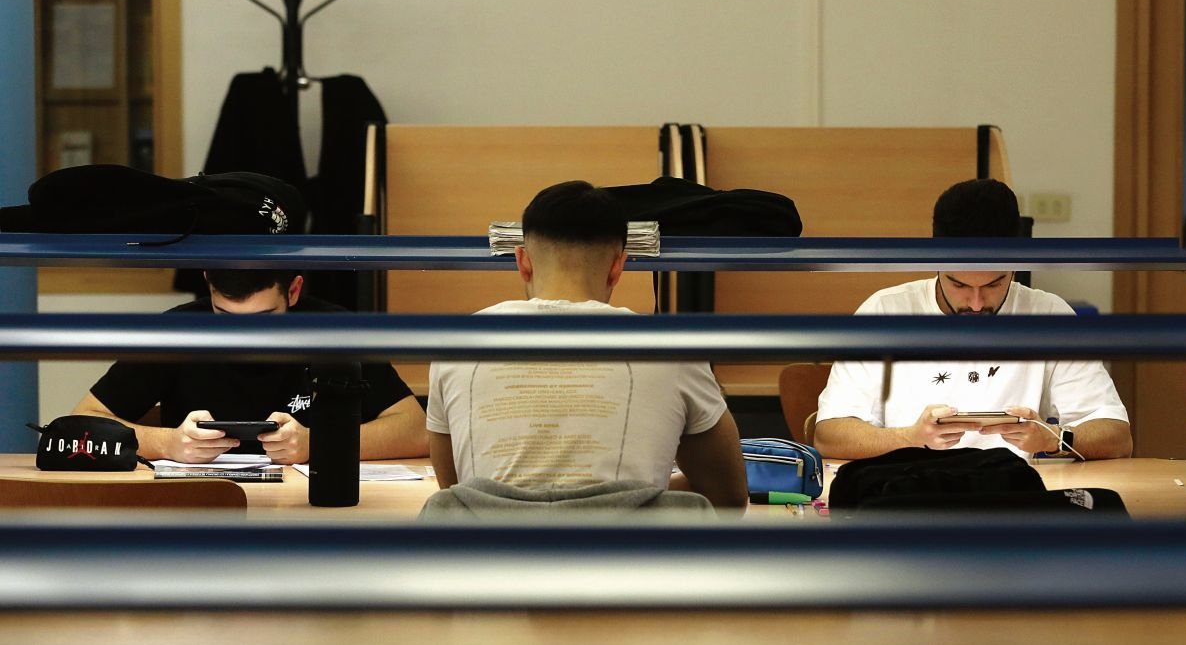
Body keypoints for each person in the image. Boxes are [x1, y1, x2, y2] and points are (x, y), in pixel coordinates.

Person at [425, 180, 748, 510]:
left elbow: (460, 492)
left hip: (491, 557)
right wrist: (652, 491)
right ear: (617, 267)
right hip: (631, 557)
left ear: (522, 261)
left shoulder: (458, 342)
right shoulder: (667, 347)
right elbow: (730, 496)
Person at [813, 178, 1132, 461]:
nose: (977, 304)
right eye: (960, 285)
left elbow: (1117, 435)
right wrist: (910, 439)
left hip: (1013, 497)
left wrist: (1054, 438)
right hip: (908, 491)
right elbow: (830, 434)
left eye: (994, 284)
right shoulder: (885, 312)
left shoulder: (1048, 315)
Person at [71, 269, 428, 464]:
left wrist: (318, 445)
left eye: (263, 318)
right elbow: (81, 421)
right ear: (208, 283)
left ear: (293, 291)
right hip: (202, 518)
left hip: (305, 521)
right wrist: (167, 443)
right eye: (224, 315)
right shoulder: (176, 331)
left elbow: (417, 430)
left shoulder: (335, 331)